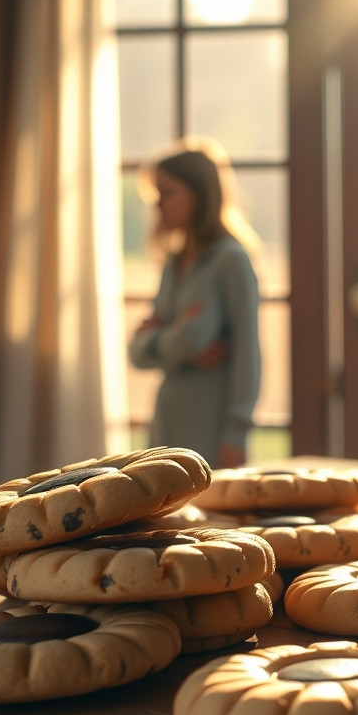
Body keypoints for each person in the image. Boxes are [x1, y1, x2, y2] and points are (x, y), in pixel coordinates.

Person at [129, 137, 262, 469]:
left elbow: (248, 351)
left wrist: (237, 433)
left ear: (199, 194)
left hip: (210, 430)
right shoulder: (174, 265)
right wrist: (184, 347)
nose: (158, 204)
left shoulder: (230, 261)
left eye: (167, 193)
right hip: (166, 425)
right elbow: (136, 352)